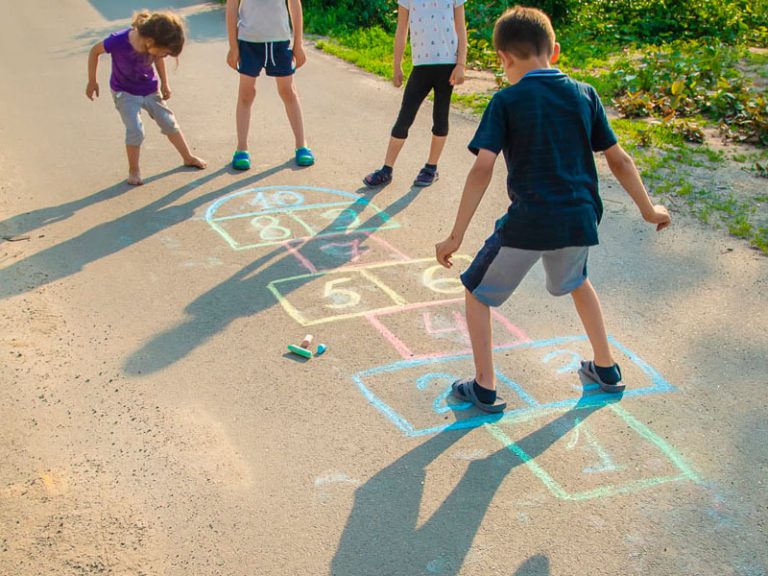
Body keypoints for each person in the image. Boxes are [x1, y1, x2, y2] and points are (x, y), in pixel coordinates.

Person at [435, 6, 671, 413]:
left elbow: (482, 168)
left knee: (475, 291)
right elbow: (619, 160)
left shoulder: (506, 101)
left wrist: (456, 235)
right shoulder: (585, 94)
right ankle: (606, 366)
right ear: (555, 51)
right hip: (580, 219)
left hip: (529, 223)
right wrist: (649, 209)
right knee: (578, 280)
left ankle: (485, 385)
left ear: (503, 59)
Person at [86, 11, 207, 186]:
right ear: (150, 41)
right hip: (124, 92)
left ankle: (187, 157)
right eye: (164, 52)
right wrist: (92, 81)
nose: (164, 56)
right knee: (135, 130)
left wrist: (165, 83)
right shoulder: (118, 41)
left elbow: (158, 60)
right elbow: (94, 51)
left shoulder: (154, 45)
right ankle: (134, 170)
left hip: (149, 89)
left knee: (169, 122)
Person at [362, 0, 468, 188]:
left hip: (448, 65)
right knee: (405, 117)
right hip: (421, 66)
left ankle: (431, 168)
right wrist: (397, 65)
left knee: (440, 117)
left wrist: (461, 64)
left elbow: (461, 28)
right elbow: (401, 30)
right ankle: (386, 169)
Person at [226, 0, 314, 170]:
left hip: (280, 41)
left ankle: (301, 145)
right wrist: (233, 46)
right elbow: (231, 6)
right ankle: (241, 148)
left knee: (288, 91)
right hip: (248, 41)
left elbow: (294, 4)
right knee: (246, 94)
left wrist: (298, 44)